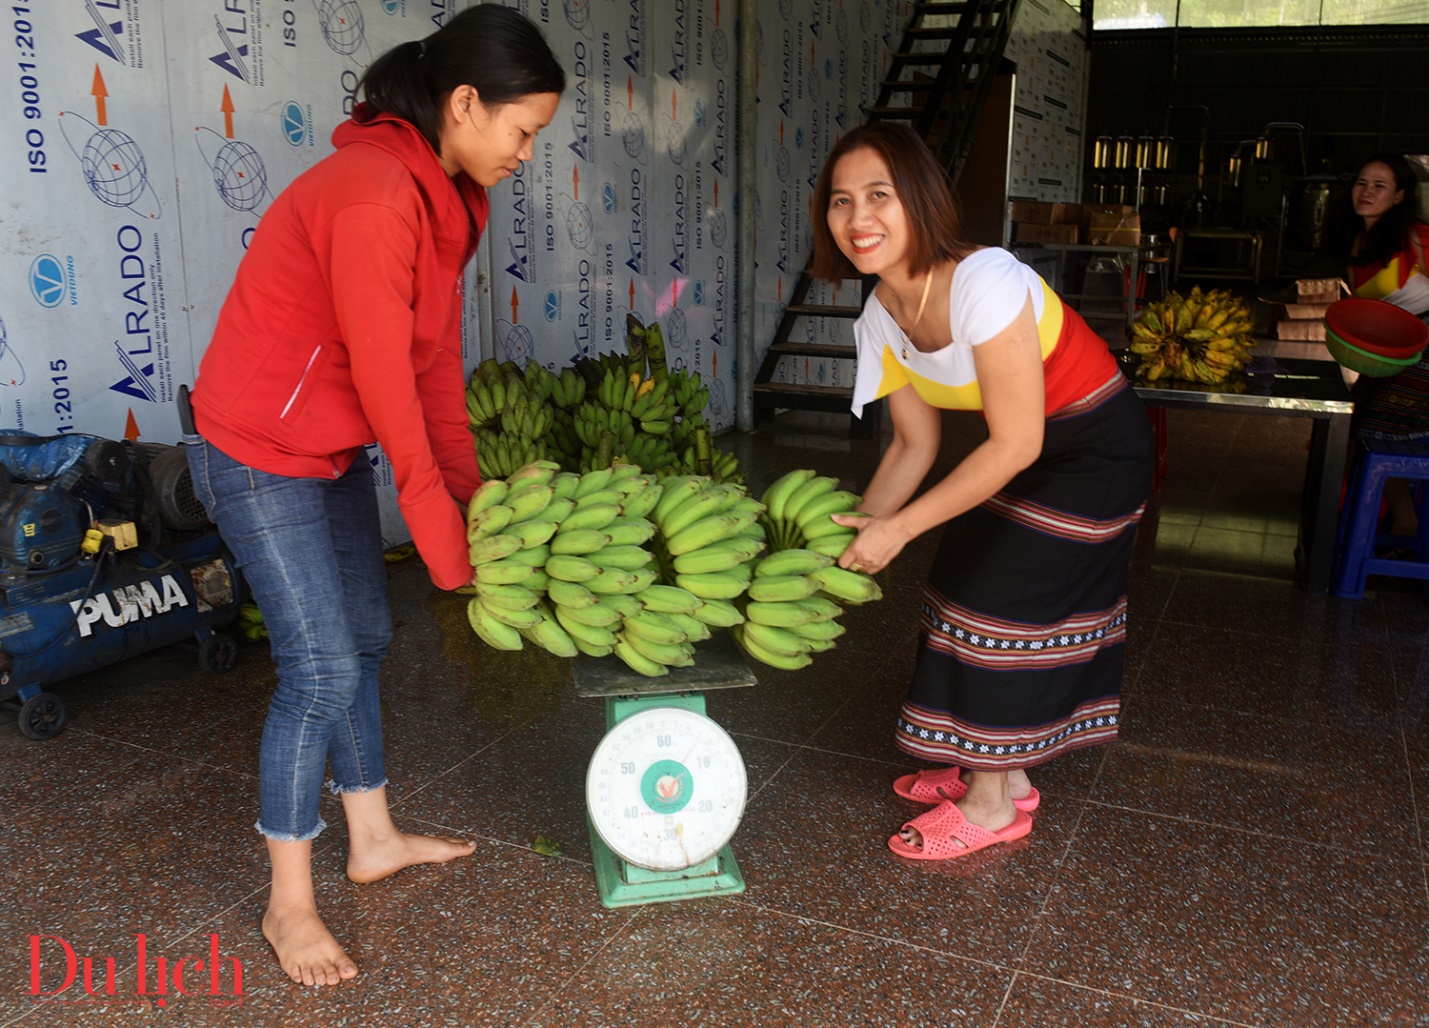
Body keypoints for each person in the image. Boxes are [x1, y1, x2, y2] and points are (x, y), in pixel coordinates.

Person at [184, 7, 564, 986]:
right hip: (256, 445)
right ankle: (288, 902)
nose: (526, 153)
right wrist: (440, 538)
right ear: (465, 103)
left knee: (363, 635)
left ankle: (373, 836)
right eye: (522, 131)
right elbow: (386, 384)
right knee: (315, 665)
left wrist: (474, 503)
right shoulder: (371, 195)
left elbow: (433, 370)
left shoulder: (451, 201)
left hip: (328, 443)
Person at [809, 122, 1154, 861]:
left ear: (922, 200)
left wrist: (899, 529)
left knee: (996, 602)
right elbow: (914, 444)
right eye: (841, 201)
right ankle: (1007, 772)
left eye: (879, 196)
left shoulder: (981, 278)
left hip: (1096, 448)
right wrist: (860, 527)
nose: (857, 219)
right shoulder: (879, 314)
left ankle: (993, 805)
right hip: (1026, 450)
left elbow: (1016, 442)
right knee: (956, 578)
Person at [1324, 153, 1429, 536]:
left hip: (1425, 357)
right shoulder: (1357, 245)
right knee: (1347, 423)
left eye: (1379, 186)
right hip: (1396, 355)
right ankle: (1360, 523)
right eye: (1361, 183)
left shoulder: (1418, 238)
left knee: (1370, 426)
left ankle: (1401, 524)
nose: (1366, 192)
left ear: (1400, 196)